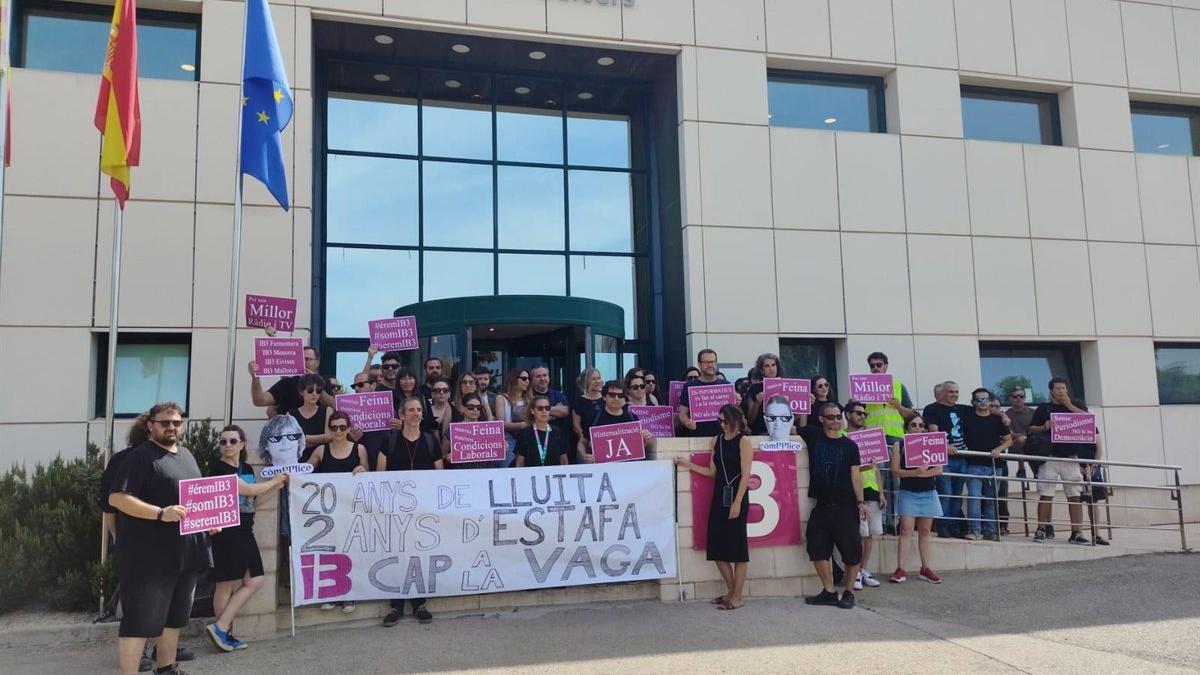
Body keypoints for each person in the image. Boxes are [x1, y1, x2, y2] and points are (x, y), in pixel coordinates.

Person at [108, 403, 212, 675]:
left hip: (185, 556)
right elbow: (117, 498)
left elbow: (195, 499)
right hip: (147, 559)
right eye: (165, 422)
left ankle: (166, 669)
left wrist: (209, 520)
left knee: (173, 620)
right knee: (139, 623)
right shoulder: (138, 457)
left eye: (177, 423)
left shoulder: (187, 456)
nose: (172, 427)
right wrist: (160, 514)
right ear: (150, 425)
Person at [205, 425, 286, 652]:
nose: (227, 445)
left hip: (244, 530)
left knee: (255, 579)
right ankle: (223, 632)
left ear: (242, 444)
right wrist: (273, 481)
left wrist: (277, 486)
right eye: (223, 442)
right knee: (226, 582)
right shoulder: (218, 469)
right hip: (227, 531)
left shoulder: (247, 468)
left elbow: (254, 501)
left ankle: (221, 629)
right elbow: (246, 490)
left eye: (232, 441)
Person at [673, 405, 753, 611]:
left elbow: (746, 475)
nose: (722, 424)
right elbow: (711, 471)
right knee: (717, 547)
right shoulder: (716, 440)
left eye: (725, 421)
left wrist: (737, 502)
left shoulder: (743, 441)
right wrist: (687, 464)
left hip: (737, 496)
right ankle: (731, 590)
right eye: (719, 421)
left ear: (734, 420)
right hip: (719, 496)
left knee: (738, 549)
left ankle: (737, 596)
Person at [380, 398, 444, 626]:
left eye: (419, 410)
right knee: (397, 554)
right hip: (396, 509)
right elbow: (380, 475)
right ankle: (396, 605)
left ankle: (419, 603)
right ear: (402, 414)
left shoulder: (430, 440)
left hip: (424, 510)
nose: (416, 414)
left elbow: (439, 474)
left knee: (421, 555)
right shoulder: (389, 440)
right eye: (411, 410)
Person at [798, 401, 868, 610]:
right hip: (821, 505)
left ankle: (849, 592)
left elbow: (855, 475)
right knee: (817, 549)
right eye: (831, 417)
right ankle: (829, 591)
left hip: (846, 506)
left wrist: (861, 502)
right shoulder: (813, 435)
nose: (836, 421)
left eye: (839, 417)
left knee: (851, 552)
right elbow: (785, 427)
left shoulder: (850, 445)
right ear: (821, 419)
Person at [306, 411, 367, 613]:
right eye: (334, 427)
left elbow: (367, 473)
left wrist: (362, 470)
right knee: (330, 552)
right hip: (328, 513)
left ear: (349, 428)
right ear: (329, 430)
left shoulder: (360, 448)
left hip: (351, 511)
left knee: (349, 552)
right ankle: (331, 593)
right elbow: (306, 471)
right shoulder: (321, 451)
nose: (338, 431)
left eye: (342, 427)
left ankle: (348, 595)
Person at [1027, 377, 1092, 545]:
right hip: (1050, 457)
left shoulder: (1076, 405)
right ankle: (1041, 529)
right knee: (1046, 494)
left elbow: (1088, 420)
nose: (1061, 391)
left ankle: (1076, 532)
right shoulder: (1044, 408)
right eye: (1058, 388)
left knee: (1075, 495)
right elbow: (1031, 429)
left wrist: (1069, 405)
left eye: (1063, 388)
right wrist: (1045, 426)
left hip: (1071, 457)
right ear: (1051, 391)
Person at [863, 352, 913, 535]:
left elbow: (911, 415)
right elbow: (854, 413)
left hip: (895, 440)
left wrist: (898, 406)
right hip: (873, 440)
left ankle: (895, 521)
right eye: (873, 365)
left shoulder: (899, 386)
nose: (876, 368)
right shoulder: (863, 387)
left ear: (886, 366)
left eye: (879, 365)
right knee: (878, 482)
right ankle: (882, 522)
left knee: (896, 483)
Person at [890, 414, 943, 584]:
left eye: (921, 425)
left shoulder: (932, 443)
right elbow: (895, 470)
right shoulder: (900, 445)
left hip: (928, 492)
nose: (918, 428)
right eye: (913, 425)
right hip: (908, 492)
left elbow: (939, 469)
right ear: (906, 427)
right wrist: (914, 473)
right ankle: (900, 569)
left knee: (925, 531)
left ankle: (926, 568)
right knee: (905, 530)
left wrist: (921, 474)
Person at [843, 400, 885, 590]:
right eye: (858, 413)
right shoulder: (842, 437)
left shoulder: (870, 437)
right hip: (854, 491)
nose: (861, 416)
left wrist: (882, 492)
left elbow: (876, 469)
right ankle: (855, 572)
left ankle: (864, 569)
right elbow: (846, 467)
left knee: (870, 535)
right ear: (848, 414)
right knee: (859, 534)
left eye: (864, 414)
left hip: (873, 490)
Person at [961, 388, 1011, 541]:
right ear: (974, 402)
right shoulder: (967, 417)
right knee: (974, 497)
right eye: (979, 400)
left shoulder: (997, 420)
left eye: (985, 399)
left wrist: (999, 449)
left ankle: (990, 531)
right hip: (973, 464)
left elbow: (1009, 439)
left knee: (991, 500)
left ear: (990, 401)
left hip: (994, 465)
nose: (983, 403)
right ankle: (975, 530)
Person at [923, 381, 970, 538]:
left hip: (962, 458)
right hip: (943, 458)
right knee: (946, 493)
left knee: (957, 495)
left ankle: (954, 527)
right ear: (942, 393)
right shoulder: (932, 409)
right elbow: (933, 430)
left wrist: (1002, 415)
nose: (954, 395)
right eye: (951, 392)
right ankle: (943, 526)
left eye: (956, 392)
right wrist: (945, 445)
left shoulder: (962, 409)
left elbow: (985, 411)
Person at [249, 343, 334, 417]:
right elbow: (259, 401)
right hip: (291, 433)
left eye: (308, 359)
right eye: (302, 359)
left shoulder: (324, 381)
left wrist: (316, 382)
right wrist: (255, 378)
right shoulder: (287, 383)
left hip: (318, 433)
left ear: (317, 363)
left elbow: (333, 405)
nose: (304, 362)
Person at [579, 380, 653, 462]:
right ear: (604, 397)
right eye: (612, 395)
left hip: (627, 469)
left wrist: (646, 439)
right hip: (602, 470)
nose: (616, 398)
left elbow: (639, 447)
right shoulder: (594, 418)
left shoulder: (632, 418)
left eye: (620, 395)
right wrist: (583, 455)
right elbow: (582, 442)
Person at [1003, 387, 1036, 536]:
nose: (1018, 399)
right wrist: (1020, 436)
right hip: (1014, 447)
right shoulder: (1007, 414)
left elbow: (1037, 429)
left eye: (1021, 396)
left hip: (1033, 447)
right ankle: (1021, 467)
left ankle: (1046, 525)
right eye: (1015, 396)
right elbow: (1007, 433)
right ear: (1010, 398)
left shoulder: (1032, 412)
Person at [678, 349, 733, 438]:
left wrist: (737, 402)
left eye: (712, 362)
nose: (710, 365)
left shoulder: (726, 385)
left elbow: (734, 413)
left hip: (723, 436)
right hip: (698, 436)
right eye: (706, 362)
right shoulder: (689, 386)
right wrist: (686, 422)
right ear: (699, 364)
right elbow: (682, 413)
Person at [285, 373, 332, 463]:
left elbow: (329, 437)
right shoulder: (291, 414)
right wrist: (317, 439)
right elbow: (288, 440)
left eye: (318, 391)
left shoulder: (327, 411)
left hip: (322, 459)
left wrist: (304, 438)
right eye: (310, 390)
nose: (314, 394)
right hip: (297, 459)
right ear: (301, 392)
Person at [514, 395, 571, 467]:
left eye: (547, 408)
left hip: (553, 476)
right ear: (532, 411)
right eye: (540, 408)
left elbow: (564, 461)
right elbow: (519, 463)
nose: (544, 411)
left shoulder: (558, 433)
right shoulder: (525, 433)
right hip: (532, 476)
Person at [496, 368, 532, 466]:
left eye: (529, 379)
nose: (527, 381)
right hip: (508, 439)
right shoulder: (502, 398)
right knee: (508, 469)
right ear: (514, 379)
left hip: (528, 439)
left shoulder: (530, 399)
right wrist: (522, 425)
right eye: (524, 378)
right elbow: (500, 424)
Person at [442, 392, 485, 468]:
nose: (475, 409)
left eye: (478, 407)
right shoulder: (452, 429)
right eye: (471, 407)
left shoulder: (489, 429)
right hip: (460, 475)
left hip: (484, 474)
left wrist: (501, 447)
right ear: (463, 408)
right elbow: (443, 457)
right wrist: (447, 458)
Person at [744, 353, 782, 435]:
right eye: (767, 366)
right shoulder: (754, 388)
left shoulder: (786, 386)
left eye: (773, 365)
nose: (771, 369)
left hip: (783, 431)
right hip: (761, 432)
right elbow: (750, 419)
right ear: (761, 370)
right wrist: (757, 403)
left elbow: (794, 416)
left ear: (777, 367)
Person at [530, 365, 571, 439]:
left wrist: (539, 410)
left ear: (549, 377)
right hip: (534, 437)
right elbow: (528, 416)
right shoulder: (528, 396)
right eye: (538, 376)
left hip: (557, 438)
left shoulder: (558, 395)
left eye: (545, 375)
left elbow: (564, 412)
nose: (542, 378)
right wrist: (555, 409)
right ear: (532, 379)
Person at [571, 368, 604, 451]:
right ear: (586, 382)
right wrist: (586, 440)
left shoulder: (606, 397)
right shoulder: (579, 401)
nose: (597, 381)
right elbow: (576, 426)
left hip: (607, 440)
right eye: (593, 379)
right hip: (588, 445)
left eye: (598, 378)